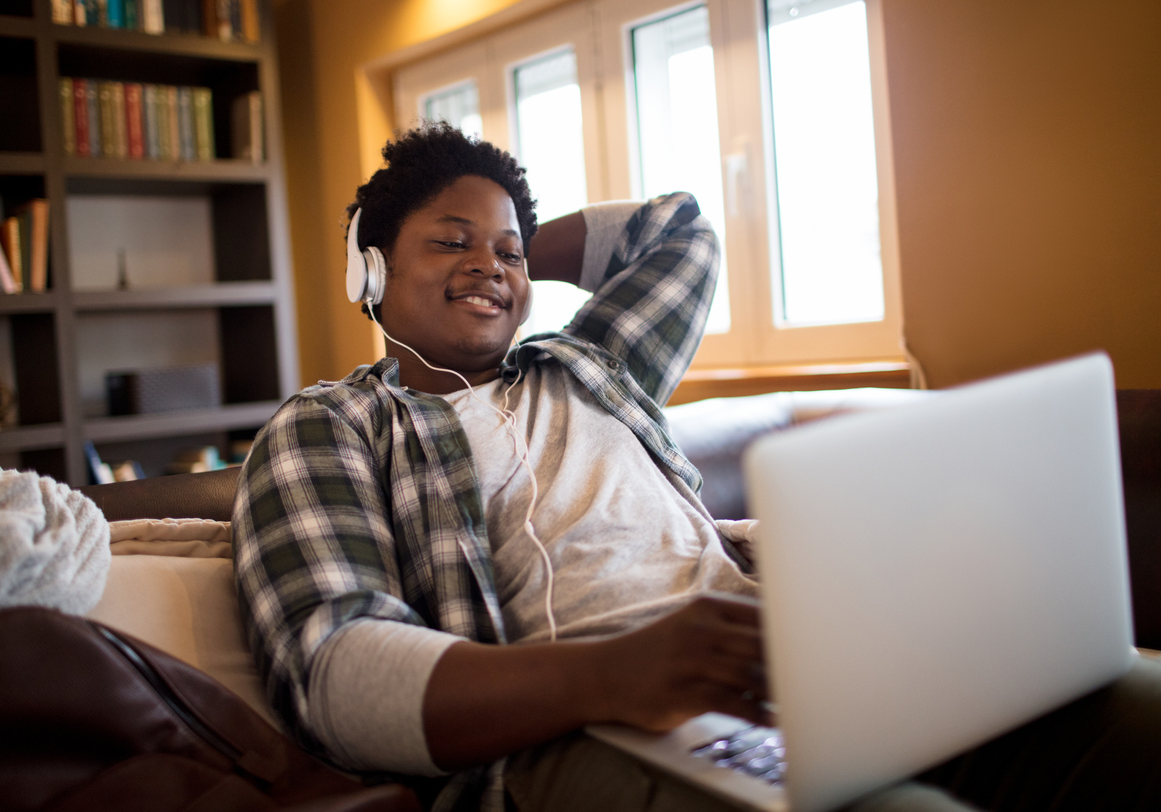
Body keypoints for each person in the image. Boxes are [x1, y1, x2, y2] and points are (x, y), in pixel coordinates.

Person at [232, 123, 1161, 812]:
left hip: (783, 674)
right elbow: (339, 674)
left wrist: (505, 235)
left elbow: (677, 232)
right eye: (448, 240)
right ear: (369, 270)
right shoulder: (333, 425)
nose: (490, 267)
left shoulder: (589, 363)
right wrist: (616, 674)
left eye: (507, 252)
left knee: (1128, 708)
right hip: (582, 732)